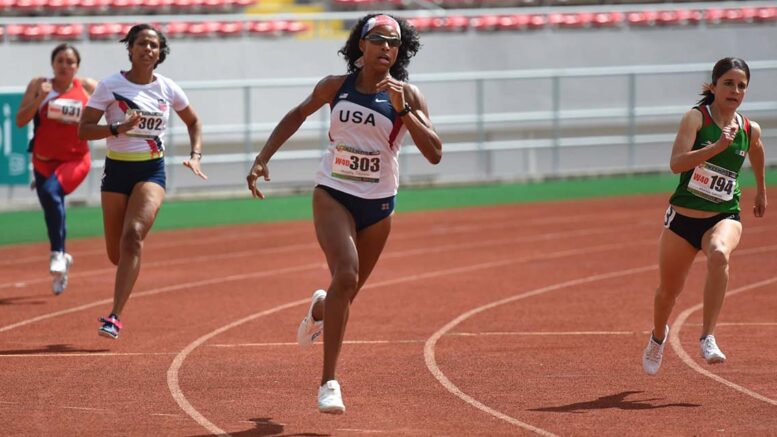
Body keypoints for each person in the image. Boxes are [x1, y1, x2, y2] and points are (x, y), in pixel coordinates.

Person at [246, 14, 442, 414]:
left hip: (379, 204)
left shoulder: (408, 95)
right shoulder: (336, 86)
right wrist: (263, 158)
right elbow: (296, 115)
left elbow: (435, 152)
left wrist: (404, 111)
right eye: (378, 40)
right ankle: (328, 382)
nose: (386, 47)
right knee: (347, 274)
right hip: (333, 192)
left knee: (344, 292)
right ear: (361, 45)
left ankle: (320, 308)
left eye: (394, 42)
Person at [78, 23, 207, 340]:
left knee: (133, 236)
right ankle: (126, 274)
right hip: (116, 171)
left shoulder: (168, 88)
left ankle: (115, 316)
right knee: (116, 254)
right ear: (130, 48)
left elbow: (193, 121)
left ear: (160, 53)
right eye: (143, 43)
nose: (148, 49)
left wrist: (195, 154)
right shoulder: (109, 86)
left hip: (151, 171)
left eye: (154, 45)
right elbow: (83, 129)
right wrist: (116, 129)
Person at [642, 57, 767, 375]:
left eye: (741, 85)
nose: (735, 90)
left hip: (723, 215)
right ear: (713, 86)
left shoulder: (749, 129)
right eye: (728, 83)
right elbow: (677, 163)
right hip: (682, 220)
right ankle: (658, 338)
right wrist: (716, 147)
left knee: (720, 254)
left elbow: (757, 151)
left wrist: (761, 190)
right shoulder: (696, 119)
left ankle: (708, 336)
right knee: (667, 294)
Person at [16, 44, 98, 295]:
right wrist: (40, 98)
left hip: (75, 160)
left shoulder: (87, 88)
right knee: (54, 206)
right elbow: (20, 120)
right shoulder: (39, 85)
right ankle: (62, 263)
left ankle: (57, 253)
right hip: (42, 161)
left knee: (52, 193)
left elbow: (113, 109)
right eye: (60, 60)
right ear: (53, 64)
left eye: (70, 61)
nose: (65, 65)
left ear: (77, 66)